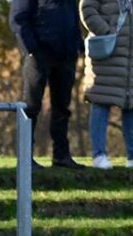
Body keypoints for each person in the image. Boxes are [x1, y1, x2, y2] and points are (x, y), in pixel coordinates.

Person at [80, 0, 133, 170]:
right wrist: (106, 31)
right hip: (107, 49)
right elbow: (87, 9)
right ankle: (99, 155)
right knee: (101, 101)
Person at [9, 0, 86, 169]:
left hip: (66, 54)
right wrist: (30, 49)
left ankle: (61, 156)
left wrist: (78, 44)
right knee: (30, 107)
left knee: (62, 108)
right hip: (39, 54)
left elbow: (72, 17)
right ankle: (25, 157)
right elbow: (18, 18)